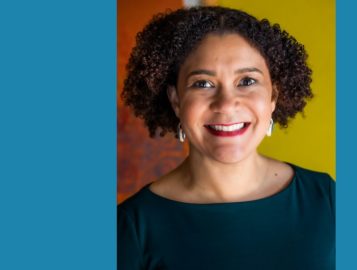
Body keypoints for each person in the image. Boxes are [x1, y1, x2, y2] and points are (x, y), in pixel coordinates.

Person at [118, 6, 335, 270]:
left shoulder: (327, 199)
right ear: (176, 100)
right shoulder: (132, 227)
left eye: (246, 81)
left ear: (273, 97)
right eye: (203, 84)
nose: (226, 104)